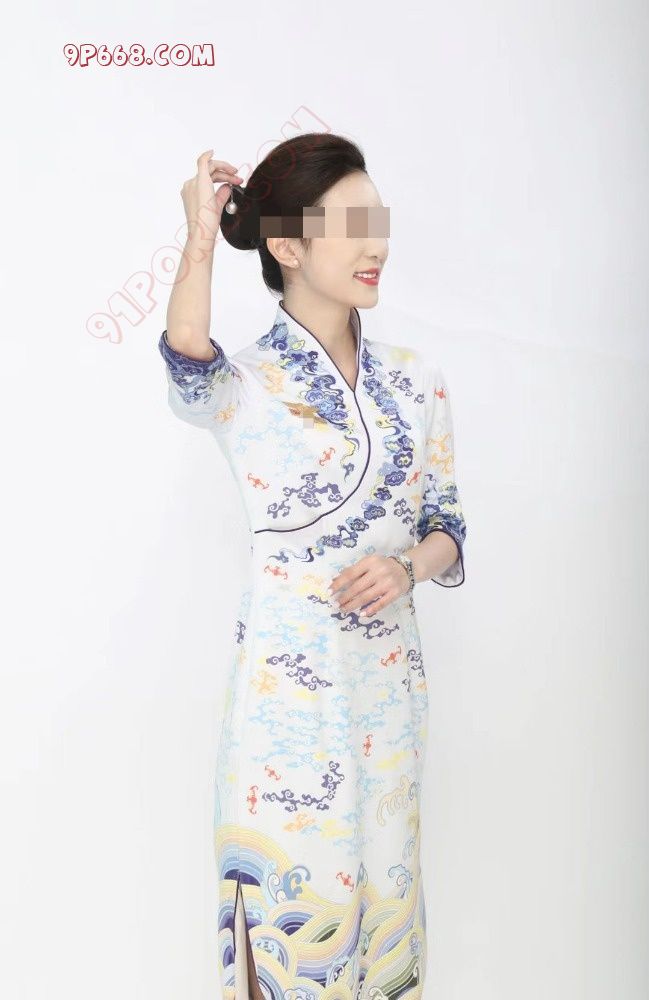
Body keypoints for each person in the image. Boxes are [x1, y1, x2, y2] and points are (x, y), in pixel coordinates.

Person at [158, 133, 467, 1000]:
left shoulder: (416, 380)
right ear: (288, 247)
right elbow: (186, 351)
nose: (375, 245)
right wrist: (199, 233)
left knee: (387, 929)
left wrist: (407, 568)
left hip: (389, 697)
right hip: (285, 710)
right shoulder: (245, 384)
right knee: (294, 941)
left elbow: (446, 524)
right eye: (349, 225)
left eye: (377, 221)